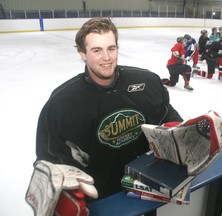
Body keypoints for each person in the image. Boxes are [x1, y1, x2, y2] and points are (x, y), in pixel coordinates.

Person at [26, 17, 184, 216]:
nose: (107, 57)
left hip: (147, 191)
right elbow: (49, 155)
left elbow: (165, 114)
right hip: (101, 201)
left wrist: (179, 132)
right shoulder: (62, 103)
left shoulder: (147, 82)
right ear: (82, 53)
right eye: (97, 50)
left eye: (111, 48)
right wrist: (63, 185)